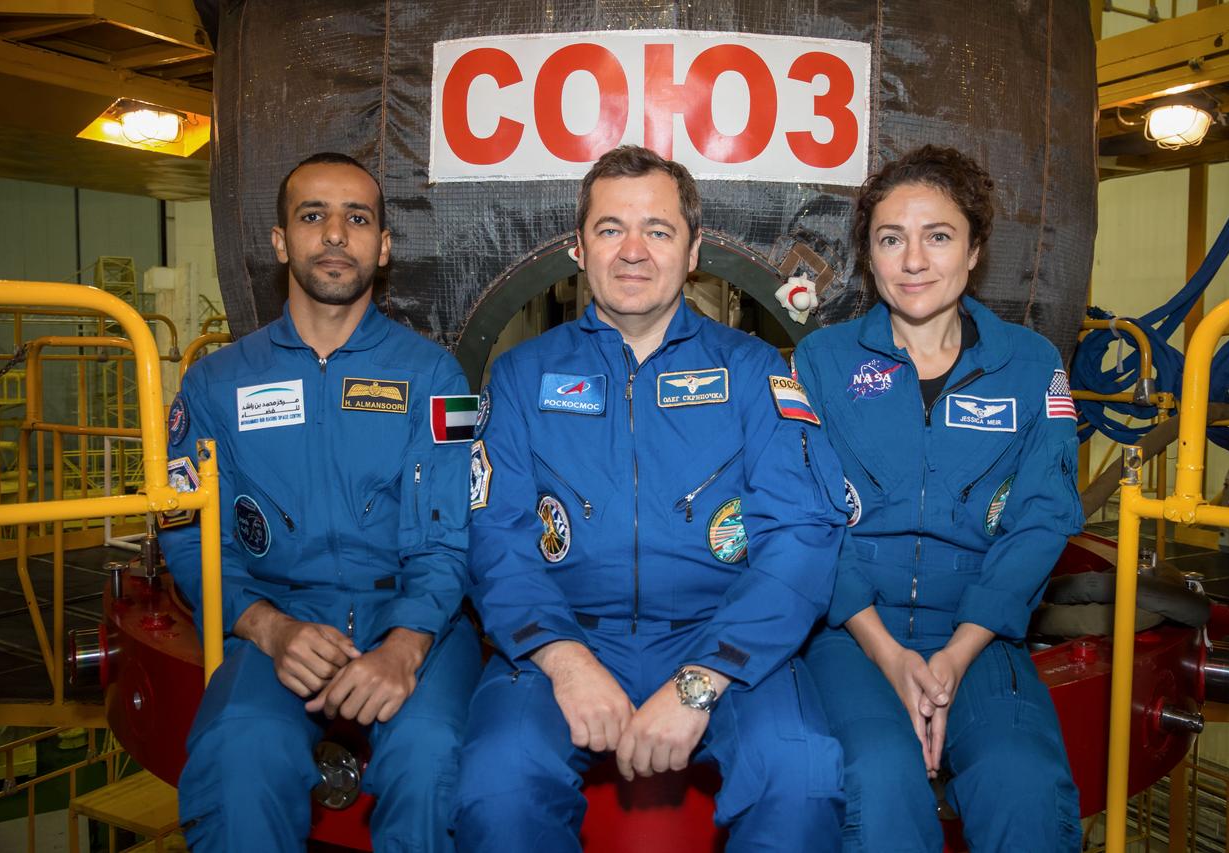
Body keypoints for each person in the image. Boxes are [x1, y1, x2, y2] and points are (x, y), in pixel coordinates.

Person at [454, 145, 849, 852]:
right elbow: (497, 534)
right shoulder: (520, 377)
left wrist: (701, 679)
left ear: (693, 249)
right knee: (498, 781)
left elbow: (803, 533)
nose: (632, 250)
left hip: (725, 635)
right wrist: (566, 660)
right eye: (610, 229)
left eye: (658, 230)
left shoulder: (754, 370)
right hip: (565, 632)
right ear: (578, 247)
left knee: (801, 775)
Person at [158, 152, 480, 852]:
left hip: (414, 619)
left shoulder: (436, 375)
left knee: (431, 759)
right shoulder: (213, 387)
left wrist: (404, 645)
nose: (335, 234)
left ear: (383, 247)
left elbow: (448, 534)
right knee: (239, 754)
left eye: (357, 218)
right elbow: (188, 537)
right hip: (279, 622)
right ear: (280, 241)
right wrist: (271, 630)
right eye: (313, 216)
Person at [795, 145, 1084, 852]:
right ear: (869, 255)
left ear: (976, 248)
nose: (914, 260)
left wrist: (957, 654)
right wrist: (891, 656)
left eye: (939, 236)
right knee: (880, 777)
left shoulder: (1031, 365)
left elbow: (1042, 516)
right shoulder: (821, 363)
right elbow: (809, 516)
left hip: (981, 631)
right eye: (891, 239)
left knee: (1024, 781)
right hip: (852, 632)